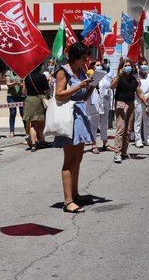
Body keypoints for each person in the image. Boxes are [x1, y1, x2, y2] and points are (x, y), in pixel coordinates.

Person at [53, 42, 96, 213]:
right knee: (69, 161)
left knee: (78, 159)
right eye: (84, 58)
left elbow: (83, 97)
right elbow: (58, 94)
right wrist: (79, 85)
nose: (86, 60)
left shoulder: (81, 72)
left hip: (80, 115)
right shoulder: (64, 71)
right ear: (76, 58)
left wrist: (91, 86)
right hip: (69, 117)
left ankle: (75, 194)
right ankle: (68, 200)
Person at [111, 59, 148, 163]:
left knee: (128, 130)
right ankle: (117, 153)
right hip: (121, 104)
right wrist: (118, 75)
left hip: (131, 104)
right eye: (126, 65)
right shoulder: (119, 78)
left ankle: (124, 152)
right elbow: (112, 86)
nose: (128, 67)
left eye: (129, 65)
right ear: (122, 67)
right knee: (121, 129)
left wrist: (146, 103)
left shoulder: (134, 79)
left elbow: (139, 93)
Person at [23, 65, 50, 152]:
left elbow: (23, 91)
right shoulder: (42, 76)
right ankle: (42, 140)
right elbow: (47, 90)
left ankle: (33, 144)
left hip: (29, 100)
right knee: (41, 122)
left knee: (33, 123)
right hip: (40, 99)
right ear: (40, 67)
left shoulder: (27, 77)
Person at [134, 58, 149, 148]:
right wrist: (143, 98)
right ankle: (138, 140)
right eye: (142, 64)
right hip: (138, 100)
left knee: (147, 121)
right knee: (138, 121)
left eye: (145, 64)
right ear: (139, 66)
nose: (144, 66)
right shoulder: (136, 77)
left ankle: (147, 138)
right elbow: (136, 90)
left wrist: (147, 97)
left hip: (148, 100)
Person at [4, 68, 25, 138]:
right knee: (12, 113)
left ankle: (27, 130)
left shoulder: (23, 72)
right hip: (11, 96)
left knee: (23, 114)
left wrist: (21, 85)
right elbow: (8, 84)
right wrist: (15, 83)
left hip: (21, 96)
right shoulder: (9, 72)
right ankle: (11, 131)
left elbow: (25, 84)